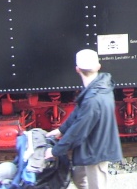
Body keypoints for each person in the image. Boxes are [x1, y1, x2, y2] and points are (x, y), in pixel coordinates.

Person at [45, 49, 123, 189]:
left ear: (77, 69)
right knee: (79, 177)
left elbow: (78, 131)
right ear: (98, 66)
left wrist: (55, 151)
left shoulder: (93, 99)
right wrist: (61, 130)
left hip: (97, 151)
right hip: (92, 146)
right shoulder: (100, 86)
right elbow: (79, 111)